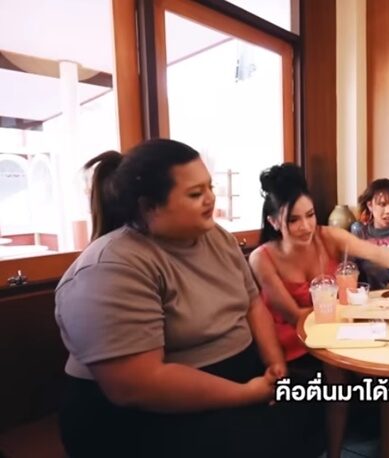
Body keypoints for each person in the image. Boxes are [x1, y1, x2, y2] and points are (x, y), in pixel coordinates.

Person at [55, 139, 321, 458]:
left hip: (240, 381)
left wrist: (275, 364)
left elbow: (252, 304)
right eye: (195, 194)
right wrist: (246, 394)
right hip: (148, 417)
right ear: (148, 206)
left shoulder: (217, 237)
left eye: (210, 187)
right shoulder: (112, 267)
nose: (210, 198)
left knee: (314, 406)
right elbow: (139, 385)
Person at [248, 164, 389, 458]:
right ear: (274, 222)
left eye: (310, 215)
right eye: (294, 220)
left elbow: (379, 254)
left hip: (330, 330)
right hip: (290, 340)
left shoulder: (328, 237)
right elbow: (294, 316)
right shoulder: (261, 258)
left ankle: (340, 452)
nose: (306, 227)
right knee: (336, 369)